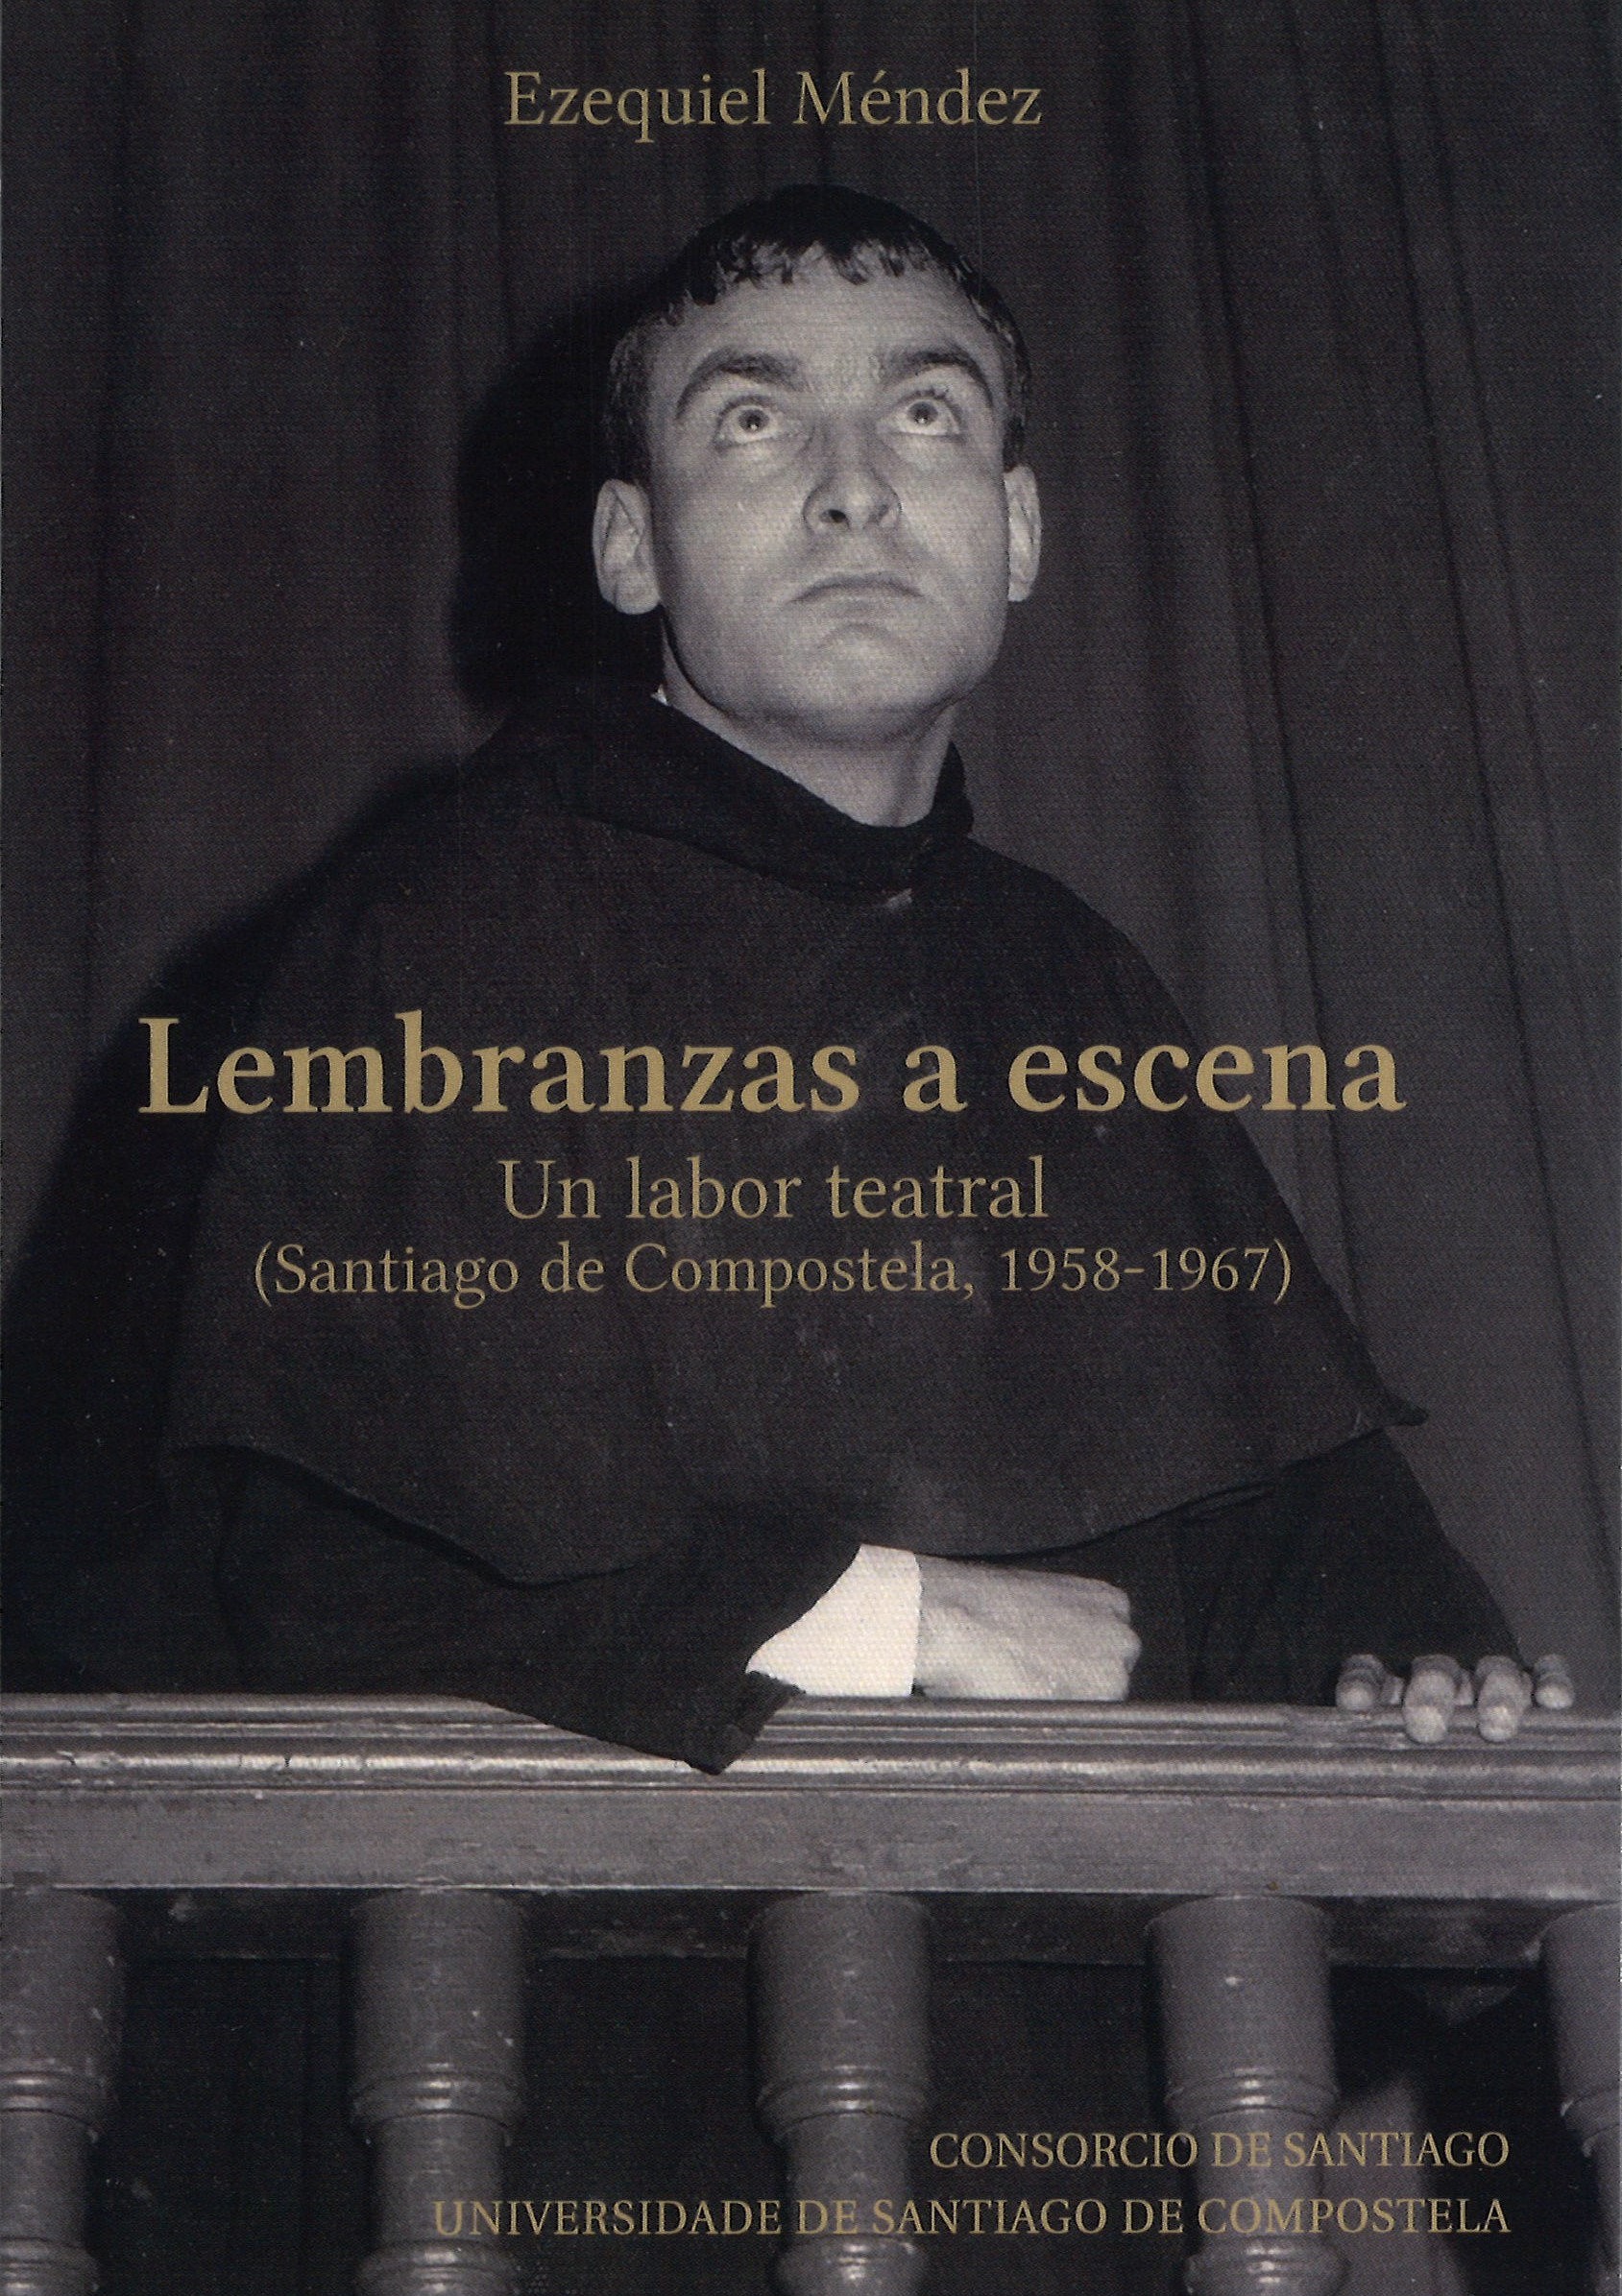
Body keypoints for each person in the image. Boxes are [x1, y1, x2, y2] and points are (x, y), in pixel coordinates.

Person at [8, 186, 1565, 1763]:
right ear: (631, 547)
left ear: (1018, 531)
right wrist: (901, 1619)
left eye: (924, 414)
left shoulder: (1070, 975)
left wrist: (1417, 1657)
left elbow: (1284, 1525)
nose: (854, 491)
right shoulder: (432, 932)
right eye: (753, 422)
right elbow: (302, 1582)